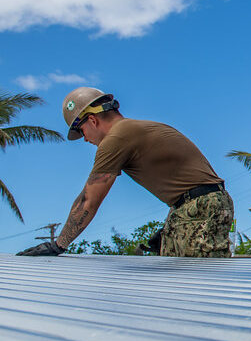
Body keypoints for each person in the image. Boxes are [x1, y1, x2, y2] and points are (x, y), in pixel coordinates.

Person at [17, 87, 234, 257]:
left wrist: (58, 245)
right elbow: (191, 187)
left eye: (82, 131)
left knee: (197, 284)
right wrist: (172, 227)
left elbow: (88, 200)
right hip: (194, 206)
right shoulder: (135, 128)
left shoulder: (115, 139)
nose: (85, 138)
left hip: (200, 208)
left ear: (92, 120)